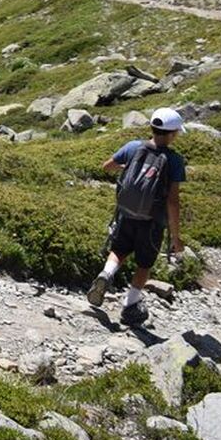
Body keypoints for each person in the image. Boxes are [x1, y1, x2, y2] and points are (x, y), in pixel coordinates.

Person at [86, 107, 186, 325]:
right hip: (152, 222)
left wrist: (127, 166)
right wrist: (176, 237)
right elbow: (173, 201)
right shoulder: (175, 160)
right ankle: (130, 305)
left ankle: (106, 274)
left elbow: (107, 167)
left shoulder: (133, 147)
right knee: (144, 264)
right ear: (171, 134)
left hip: (125, 214)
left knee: (118, 250)